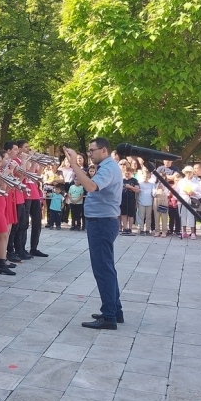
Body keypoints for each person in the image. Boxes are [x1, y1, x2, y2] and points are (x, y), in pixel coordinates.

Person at [64, 139, 123, 330]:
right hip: (102, 221)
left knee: (103, 269)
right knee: (107, 267)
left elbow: (91, 187)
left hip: (102, 222)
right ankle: (115, 311)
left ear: (104, 150)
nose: (89, 154)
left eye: (92, 151)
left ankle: (109, 316)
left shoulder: (107, 168)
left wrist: (74, 164)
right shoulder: (108, 166)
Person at [119, 161, 139, 235]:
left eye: (128, 173)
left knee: (130, 215)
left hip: (131, 199)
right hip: (123, 199)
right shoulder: (122, 180)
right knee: (123, 214)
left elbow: (137, 190)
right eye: (126, 173)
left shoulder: (134, 180)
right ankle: (125, 228)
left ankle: (130, 228)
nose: (127, 175)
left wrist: (129, 187)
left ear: (132, 173)